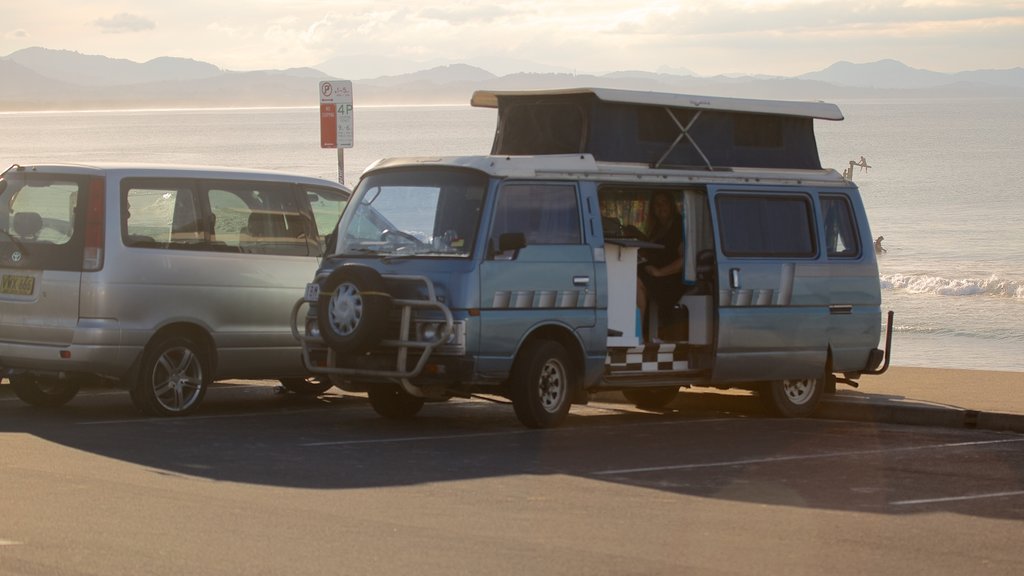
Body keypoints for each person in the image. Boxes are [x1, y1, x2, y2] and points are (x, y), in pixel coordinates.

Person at [635, 191, 684, 340]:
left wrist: (660, 272)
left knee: (636, 282)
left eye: (664, 202)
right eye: (656, 204)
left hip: (673, 279)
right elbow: (655, 252)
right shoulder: (657, 228)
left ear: (671, 205)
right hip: (654, 273)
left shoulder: (679, 225)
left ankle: (638, 334)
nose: (660, 207)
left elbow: (686, 259)